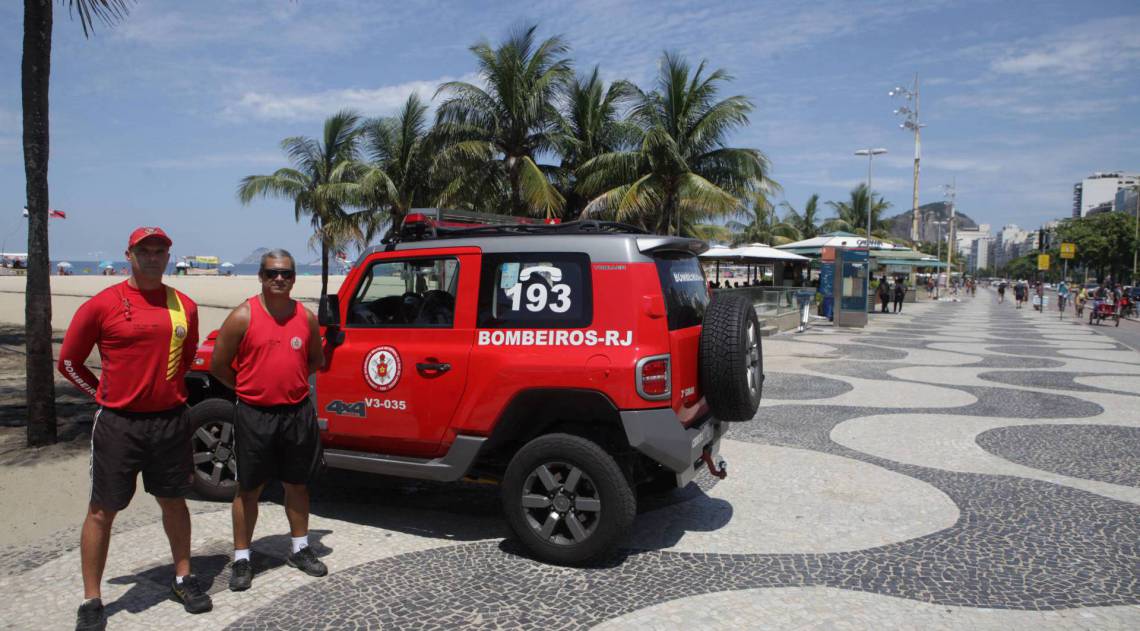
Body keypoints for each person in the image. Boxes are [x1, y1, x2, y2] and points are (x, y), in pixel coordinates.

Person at [58, 227, 211, 630]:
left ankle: (183, 577)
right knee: (101, 511)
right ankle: (92, 599)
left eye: (160, 250)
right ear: (129, 253)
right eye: (145, 250)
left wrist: (165, 393)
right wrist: (102, 394)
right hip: (118, 425)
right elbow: (69, 362)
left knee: (174, 501)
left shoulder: (185, 306)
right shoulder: (103, 304)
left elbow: (189, 355)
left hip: (170, 422)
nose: (153, 256)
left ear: (168, 257)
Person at [210, 249, 327, 592]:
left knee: (297, 485)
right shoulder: (243, 316)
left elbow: (315, 361)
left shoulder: (305, 318)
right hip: (254, 415)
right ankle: (243, 557)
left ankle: (300, 549)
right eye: (272, 273)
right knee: (248, 489)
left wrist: (286, 383)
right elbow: (219, 365)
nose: (279, 279)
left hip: (296, 414)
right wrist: (249, 388)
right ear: (260, 276)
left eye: (286, 274)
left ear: (293, 279)